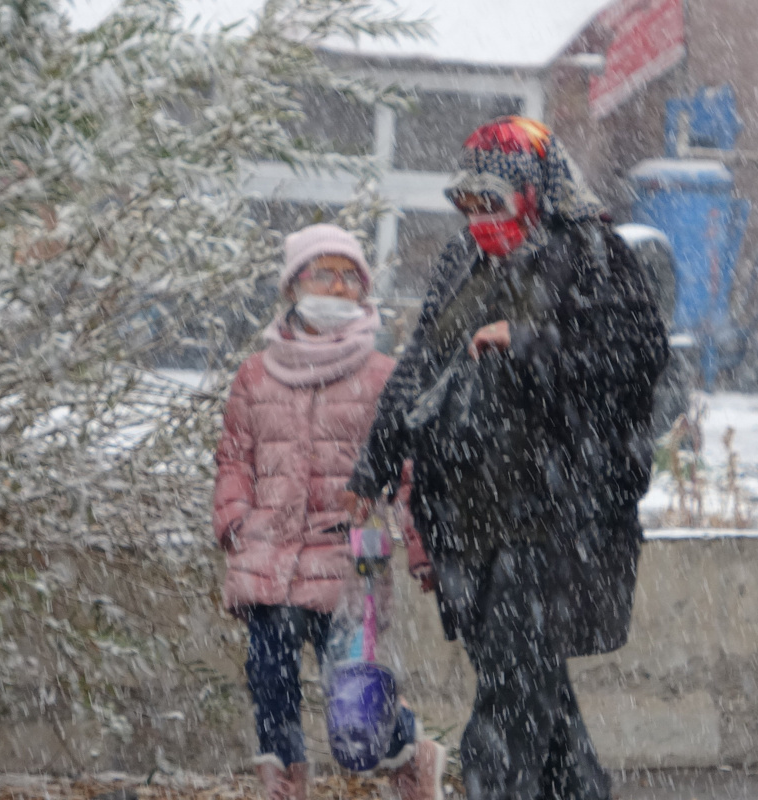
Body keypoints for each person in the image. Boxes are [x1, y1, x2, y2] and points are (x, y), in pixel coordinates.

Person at [346, 117, 669, 800]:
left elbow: (636, 363)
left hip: (556, 519)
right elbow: (422, 364)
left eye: (493, 202)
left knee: (510, 702)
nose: (479, 218)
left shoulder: (593, 254)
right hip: (468, 517)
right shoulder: (463, 259)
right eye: (468, 204)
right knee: (530, 686)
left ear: (534, 192)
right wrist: (374, 464)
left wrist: (526, 343)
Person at [212, 223, 446, 800]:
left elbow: (412, 474)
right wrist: (237, 522)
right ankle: (284, 780)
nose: (340, 288)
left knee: (355, 710)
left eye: (351, 277)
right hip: (270, 555)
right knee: (270, 679)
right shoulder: (256, 374)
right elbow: (234, 459)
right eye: (325, 273)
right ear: (294, 284)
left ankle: (408, 752)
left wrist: (421, 549)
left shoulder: (382, 376)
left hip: (349, 561)